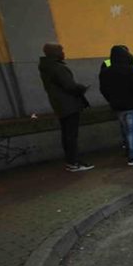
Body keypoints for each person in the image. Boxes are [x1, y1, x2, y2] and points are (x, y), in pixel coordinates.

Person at [39, 43, 93, 172]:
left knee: (67, 134)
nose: (63, 53)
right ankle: (74, 161)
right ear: (55, 53)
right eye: (61, 50)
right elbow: (69, 86)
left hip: (60, 105)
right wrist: (81, 88)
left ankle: (71, 160)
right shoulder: (58, 68)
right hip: (69, 105)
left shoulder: (46, 67)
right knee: (71, 135)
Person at [99, 45, 133, 166]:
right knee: (132, 130)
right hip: (132, 104)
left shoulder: (106, 71)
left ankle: (129, 150)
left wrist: (111, 100)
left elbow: (103, 89)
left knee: (125, 129)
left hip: (117, 104)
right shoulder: (131, 69)